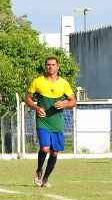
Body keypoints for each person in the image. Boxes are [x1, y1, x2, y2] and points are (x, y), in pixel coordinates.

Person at [24, 57, 76, 187]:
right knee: (45, 148)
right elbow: (27, 99)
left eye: (53, 65)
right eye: (48, 65)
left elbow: (73, 101)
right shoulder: (38, 82)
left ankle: (45, 179)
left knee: (54, 152)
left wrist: (64, 103)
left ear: (58, 67)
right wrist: (36, 107)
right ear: (45, 66)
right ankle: (39, 169)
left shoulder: (64, 83)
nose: (50, 67)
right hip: (43, 121)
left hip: (57, 123)